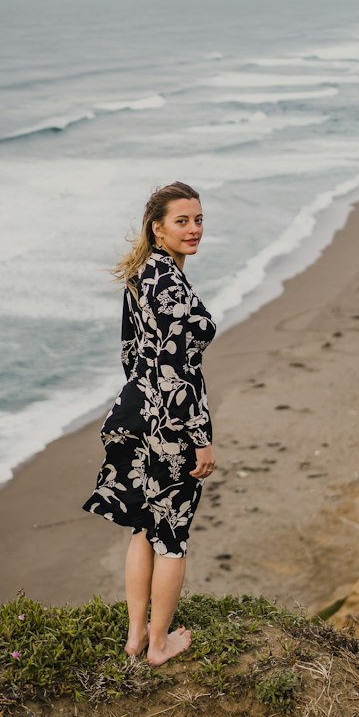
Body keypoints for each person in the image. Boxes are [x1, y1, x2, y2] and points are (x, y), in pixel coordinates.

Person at [83, 181, 216, 665]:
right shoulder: (171, 286)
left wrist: (142, 400)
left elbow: (129, 353)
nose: (194, 229)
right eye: (182, 221)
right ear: (157, 228)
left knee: (143, 526)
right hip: (169, 425)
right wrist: (200, 439)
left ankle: (136, 636)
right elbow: (178, 370)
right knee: (172, 536)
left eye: (198, 219)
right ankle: (159, 645)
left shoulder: (142, 275)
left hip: (134, 413)